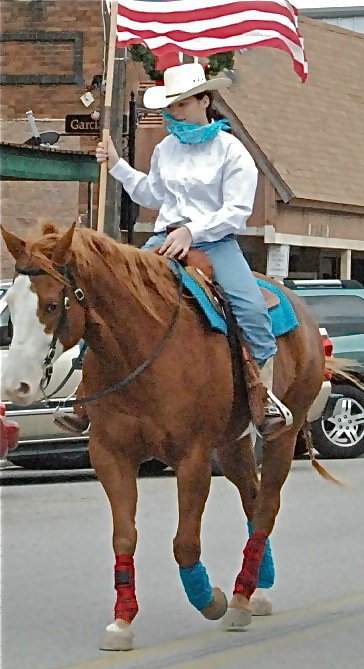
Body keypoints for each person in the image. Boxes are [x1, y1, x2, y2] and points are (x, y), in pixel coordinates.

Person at [59, 63, 291, 437]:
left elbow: (236, 211)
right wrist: (117, 166)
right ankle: (86, 393)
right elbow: (152, 194)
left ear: (205, 100)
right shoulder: (166, 148)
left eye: (182, 104)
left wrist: (192, 230)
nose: (175, 112)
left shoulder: (232, 151)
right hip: (164, 239)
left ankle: (262, 393)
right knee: (110, 293)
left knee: (250, 307)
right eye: (171, 105)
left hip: (215, 242)